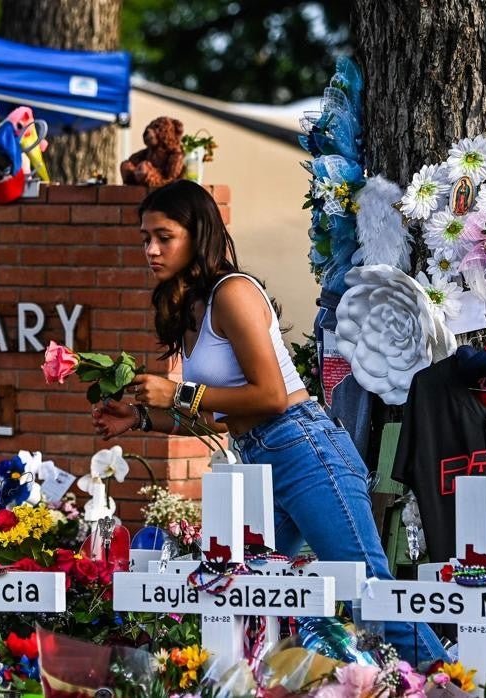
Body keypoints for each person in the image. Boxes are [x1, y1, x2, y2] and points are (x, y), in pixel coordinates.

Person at [91, 179, 447, 667]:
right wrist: (142, 419)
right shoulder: (191, 309)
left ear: (197, 234)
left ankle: (452, 683)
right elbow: (222, 413)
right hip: (259, 460)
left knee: (369, 595)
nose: (150, 249)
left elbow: (272, 397)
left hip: (303, 451)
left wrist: (177, 392)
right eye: (144, 238)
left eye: (163, 236)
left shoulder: (232, 292)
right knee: (236, 591)